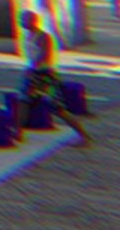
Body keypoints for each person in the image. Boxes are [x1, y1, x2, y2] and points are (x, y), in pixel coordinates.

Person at [18, 10, 91, 144]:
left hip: (44, 75)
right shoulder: (28, 35)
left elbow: (45, 55)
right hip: (34, 74)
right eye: (21, 19)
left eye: (24, 19)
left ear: (34, 21)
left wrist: (32, 68)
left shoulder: (43, 37)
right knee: (23, 102)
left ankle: (83, 135)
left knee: (57, 108)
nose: (21, 22)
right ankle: (18, 132)